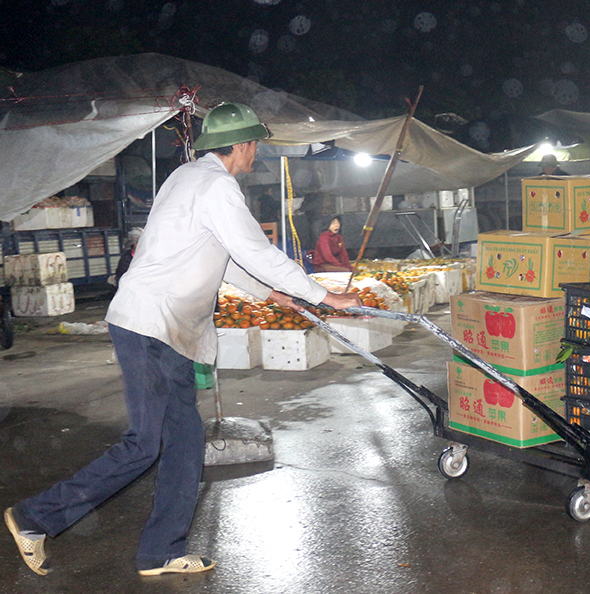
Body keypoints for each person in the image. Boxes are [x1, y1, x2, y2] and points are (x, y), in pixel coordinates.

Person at [4, 102, 360, 577]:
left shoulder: (188, 179)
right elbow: (255, 249)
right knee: (143, 444)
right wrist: (320, 294)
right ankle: (34, 518)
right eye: (255, 143)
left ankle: (161, 552)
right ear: (242, 145)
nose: (256, 152)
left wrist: (274, 294)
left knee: (186, 442)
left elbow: (224, 256)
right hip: (151, 325)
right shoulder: (217, 186)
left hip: (165, 330)